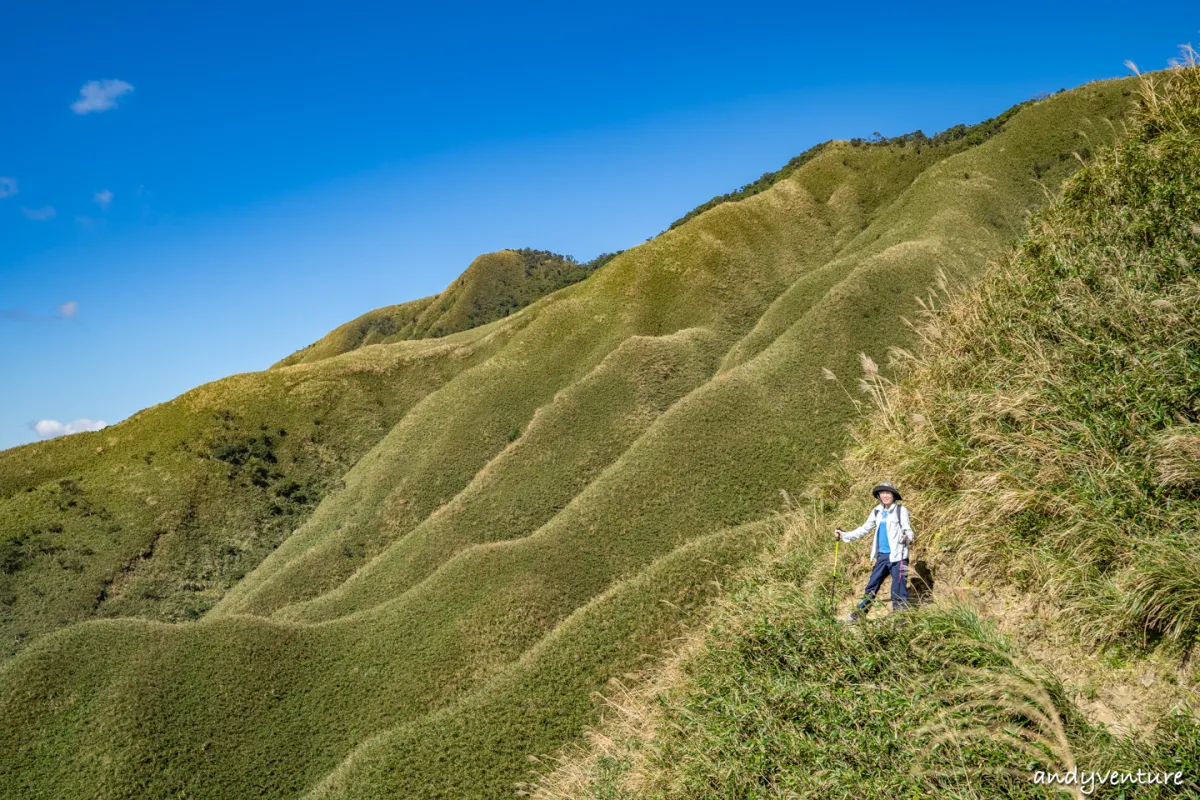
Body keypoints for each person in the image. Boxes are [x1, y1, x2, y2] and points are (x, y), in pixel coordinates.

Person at [835, 482, 913, 621]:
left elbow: (909, 531)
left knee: (898, 589)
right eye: (882, 493)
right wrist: (844, 535)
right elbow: (864, 528)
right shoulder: (877, 511)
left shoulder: (901, 511)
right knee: (872, 585)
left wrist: (907, 537)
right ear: (879, 496)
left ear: (894, 495)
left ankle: (901, 620)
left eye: (888, 493)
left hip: (898, 556)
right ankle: (859, 615)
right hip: (882, 556)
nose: (885, 495)